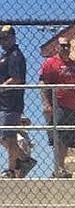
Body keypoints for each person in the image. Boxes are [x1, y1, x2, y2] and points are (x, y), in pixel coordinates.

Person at [39, 36, 75, 179]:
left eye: (68, 45)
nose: (65, 48)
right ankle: (59, 168)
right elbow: (43, 84)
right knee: (58, 137)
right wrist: (46, 104)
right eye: (62, 46)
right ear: (57, 47)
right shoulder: (50, 62)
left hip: (71, 107)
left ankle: (61, 167)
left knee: (68, 139)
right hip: (57, 106)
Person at [0, 25, 27, 179]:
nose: (3, 41)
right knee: (3, 136)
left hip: (11, 102)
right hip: (3, 102)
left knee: (8, 136)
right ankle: (24, 158)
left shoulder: (15, 55)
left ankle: (10, 170)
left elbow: (17, 78)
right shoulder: (5, 56)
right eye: (1, 38)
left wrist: (2, 87)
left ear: (13, 37)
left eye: (6, 37)